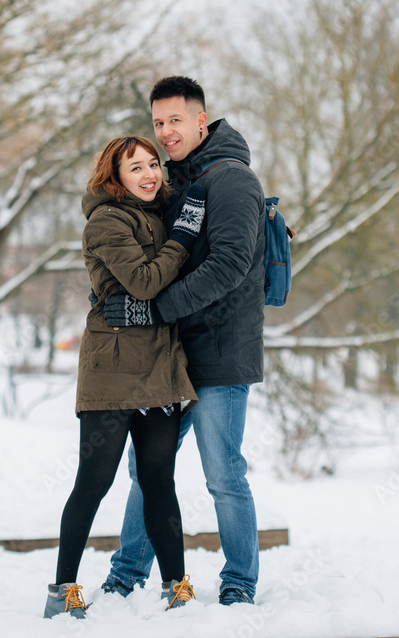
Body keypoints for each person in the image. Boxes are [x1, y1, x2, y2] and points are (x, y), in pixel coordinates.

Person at [101, 76, 266, 605]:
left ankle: (239, 583)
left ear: (201, 120)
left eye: (175, 120)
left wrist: (158, 310)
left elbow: (231, 264)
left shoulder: (233, 180)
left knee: (223, 474)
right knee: (147, 471)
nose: (166, 132)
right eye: (158, 123)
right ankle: (126, 574)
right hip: (169, 353)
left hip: (220, 351)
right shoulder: (169, 181)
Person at [44, 136, 206, 619]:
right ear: (114, 176)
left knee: (159, 481)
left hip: (158, 366)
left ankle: (175, 585)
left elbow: (156, 288)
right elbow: (143, 280)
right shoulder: (107, 221)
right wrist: (182, 238)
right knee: (94, 480)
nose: (150, 173)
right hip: (112, 369)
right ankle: (62, 588)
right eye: (136, 167)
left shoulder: (159, 213)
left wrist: (152, 301)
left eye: (153, 163)